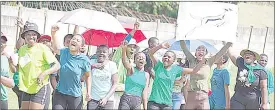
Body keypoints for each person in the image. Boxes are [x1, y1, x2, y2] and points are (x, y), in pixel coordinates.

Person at [9, 21, 60, 109]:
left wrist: (43, 74)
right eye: (28, 34)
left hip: (39, 87)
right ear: (24, 36)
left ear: (37, 37)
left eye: (34, 34)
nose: (31, 36)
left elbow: (57, 65)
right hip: (27, 88)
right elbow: (19, 69)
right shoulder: (22, 50)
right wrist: (11, 63)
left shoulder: (42, 48)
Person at [147, 42, 202, 109]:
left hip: (167, 104)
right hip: (154, 102)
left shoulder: (176, 69)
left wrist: (201, 60)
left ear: (173, 61)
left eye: (169, 57)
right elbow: (150, 53)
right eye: (165, 56)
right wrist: (160, 46)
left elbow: (194, 71)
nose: (166, 57)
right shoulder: (159, 65)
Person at [179, 40, 232, 109]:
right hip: (191, 95)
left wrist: (229, 42)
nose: (200, 51)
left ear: (205, 53)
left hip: (203, 96)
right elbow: (184, 48)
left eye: (203, 50)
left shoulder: (209, 62)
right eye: (198, 49)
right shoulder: (191, 60)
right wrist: (181, 38)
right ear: (195, 53)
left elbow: (221, 52)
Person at [51, 25, 91, 109]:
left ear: (81, 46)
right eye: (73, 39)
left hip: (75, 95)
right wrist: (53, 33)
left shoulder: (84, 60)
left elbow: (88, 76)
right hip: (60, 92)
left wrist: (88, 92)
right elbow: (55, 48)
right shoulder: (64, 52)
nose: (74, 41)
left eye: (78, 40)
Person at [225, 41, 268, 109]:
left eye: (249, 53)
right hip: (238, 99)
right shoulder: (240, 62)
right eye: (245, 54)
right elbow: (231, 54)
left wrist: (264, 103)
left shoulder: (261, 70)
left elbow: (264, 88)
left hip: (253, 101)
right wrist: (226, 42)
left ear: (254, 57)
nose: (246, 55)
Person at [118, 41, 150, 110]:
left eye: (143, 58)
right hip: (126, 99)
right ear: (135, 61)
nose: (141, 58)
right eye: (138, 57)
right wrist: (124, 49)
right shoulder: (131, 69)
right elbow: (124, 61)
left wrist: (145, 107)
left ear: (145, 62)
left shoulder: (146, 75)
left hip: (137, 101)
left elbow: (144, 92)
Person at [87, 45, 118, 109]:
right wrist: (92, 66)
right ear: (96, 53)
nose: (101, 53)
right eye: (99, 51)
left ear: (108, 54)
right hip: (93, 99)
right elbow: (84, 73)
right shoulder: (91, 62)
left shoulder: (112, 65)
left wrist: (106, 98)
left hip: (108, 100)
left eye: (104, 52)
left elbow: (115, 84)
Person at [1, 33, 16, 110]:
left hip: (2, 96)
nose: (1, 44)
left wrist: (10, 63)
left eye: (3, 42)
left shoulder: (6, 57)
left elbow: (13, 71)